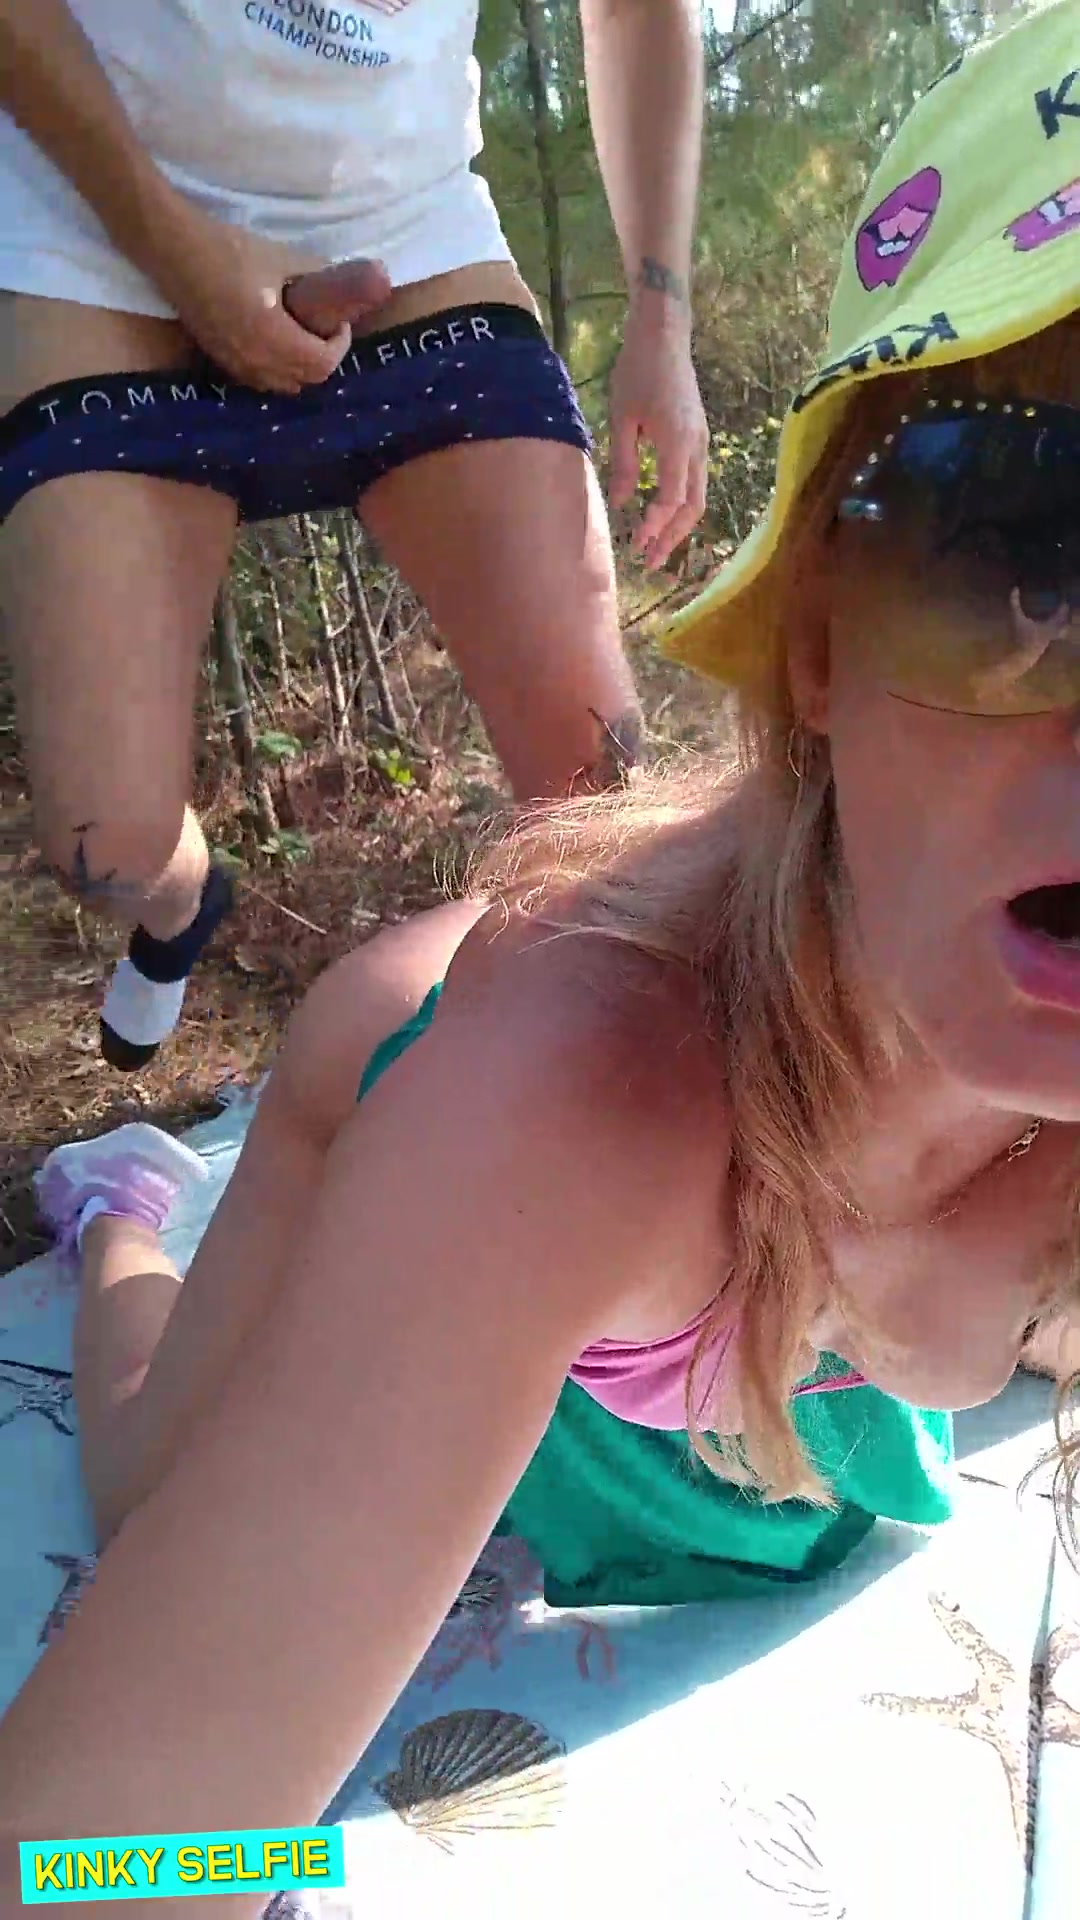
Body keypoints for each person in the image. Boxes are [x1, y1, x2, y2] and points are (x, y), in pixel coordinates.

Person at [4, 5, 1080, 1911]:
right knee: (147, 1484)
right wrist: (348, 1871)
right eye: (1030, 554)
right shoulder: (581, 1099)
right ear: (818, 643)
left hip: (685, 1308)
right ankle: (126, 1210)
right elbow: (90, 1860)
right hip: (413, 1086)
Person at [0, 0, 709, 1071]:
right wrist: (183, 260)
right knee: (108, 849)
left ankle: (606, 1079)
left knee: (599, 795)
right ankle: (183, 905)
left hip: (413, 242)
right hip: (91, 239)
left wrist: (661, 318)